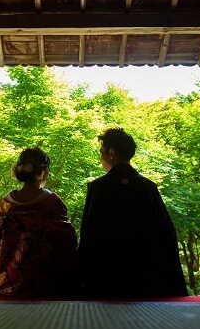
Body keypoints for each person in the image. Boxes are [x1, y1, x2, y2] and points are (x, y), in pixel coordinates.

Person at [78, 127, 188, 297]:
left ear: (111, 153)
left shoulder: (98, 187)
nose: (101, 159)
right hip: (148, 283)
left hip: (107, 283)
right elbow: (167, 234)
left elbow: (89, 236)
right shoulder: (148, 187)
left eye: (102, 153)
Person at [0, 147, 79, 296]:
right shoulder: (52, 202)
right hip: (43, 285)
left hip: (5, 283)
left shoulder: (5, 204)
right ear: (43, 171)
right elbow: (67, 242)